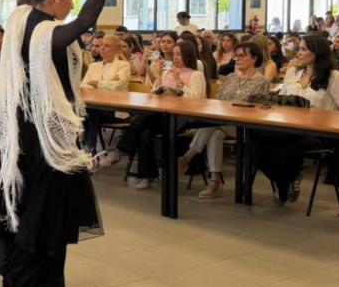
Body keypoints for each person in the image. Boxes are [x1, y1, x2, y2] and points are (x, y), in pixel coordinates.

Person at [0, 0, 118, 287]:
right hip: (48, 134)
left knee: (27, 203)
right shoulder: (43, 30)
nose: (71, 4)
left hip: (27, 127)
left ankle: (22, 277)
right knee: (49, 212)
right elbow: (84, 23)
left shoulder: (22, 15)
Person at [252, 35, 339, 204]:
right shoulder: (293, 72)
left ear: (317, 52)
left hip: (317, 132)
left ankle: (286, 182)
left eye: (303, 49)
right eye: (299, 48)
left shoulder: (333, 76)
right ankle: (286, 179)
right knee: (255, 139)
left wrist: (327, 119)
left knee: (284, 146)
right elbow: (282, 100)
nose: (298, 53)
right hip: (289, 127)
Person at [104, 39, 207, 182]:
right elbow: (153, 94)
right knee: (144, 132)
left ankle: (121, 152)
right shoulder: (167, 72)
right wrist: (159, 75)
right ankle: (147, 175)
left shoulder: (196, 75)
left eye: (179, 54)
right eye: (174, 54)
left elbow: (196, 100)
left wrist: (179, 82)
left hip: (181, 118)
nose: (175, 57)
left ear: (188, 55)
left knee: (143, 119)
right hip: (162, 115)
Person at [178, 41, 270, 199]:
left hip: (244, 125)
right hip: (222, 122)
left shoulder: (262, 82)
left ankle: (187, 157)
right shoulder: (230, 78)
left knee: (212, 126)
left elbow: (258, 109)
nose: (237, 59)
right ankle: (215, 181)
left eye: (242, 56)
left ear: (254, 58)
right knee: (215, 132)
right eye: (236, 56)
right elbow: (218, 100)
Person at [81, 35, 132, 153]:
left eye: (107, 46)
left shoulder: (123, 65)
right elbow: (83, 86)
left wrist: (97, 83)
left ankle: (87, 150)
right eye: (102, 45)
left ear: (117, 50)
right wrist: (109, 82)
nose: (103, 48)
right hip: (95, 108)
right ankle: (89, 151)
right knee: (90, 113)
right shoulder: (94, 66)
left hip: (115, 111)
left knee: (89, 112)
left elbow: (119, 85)